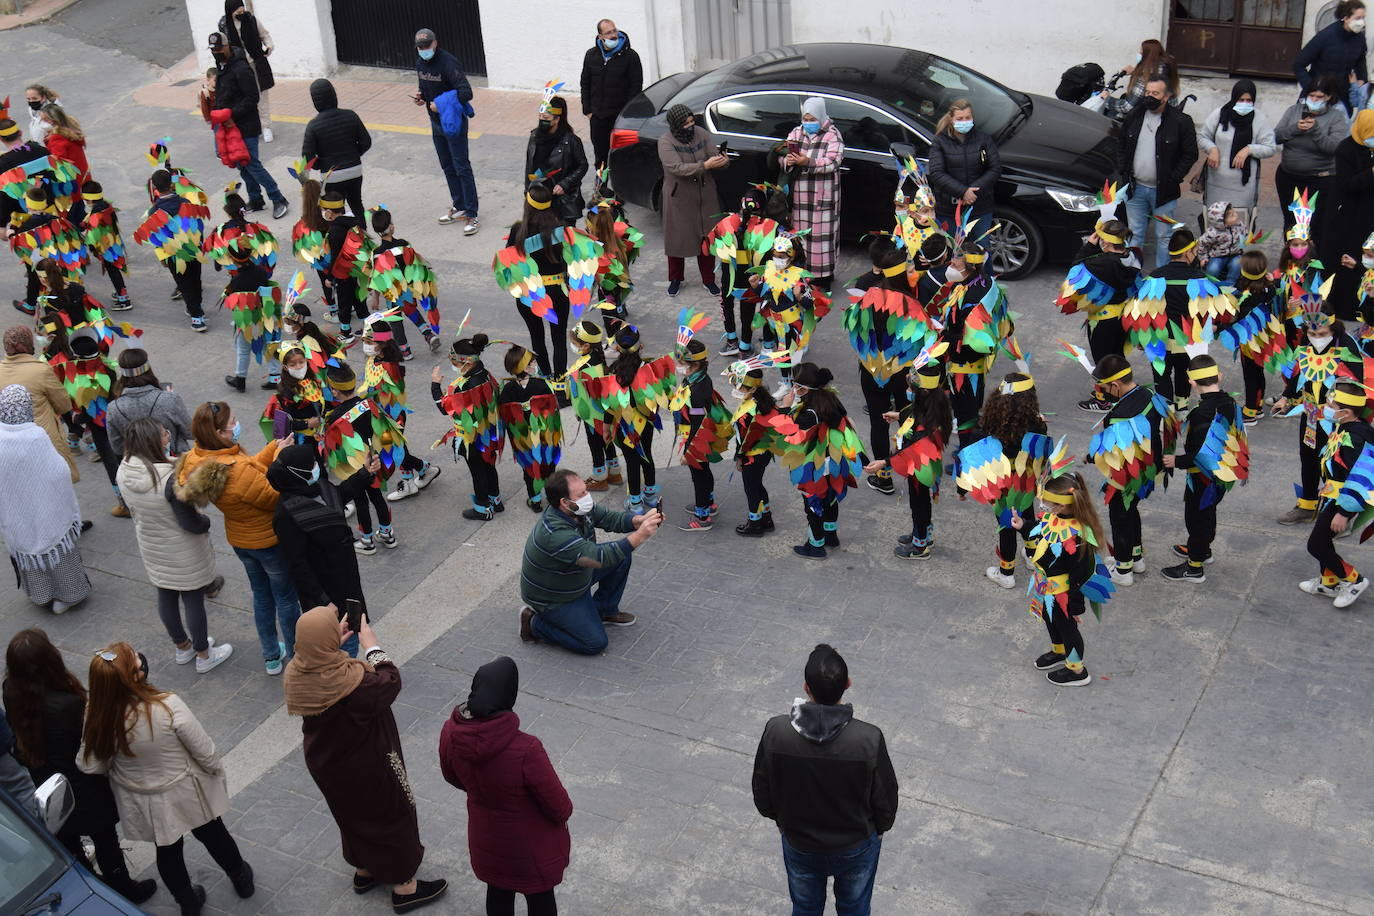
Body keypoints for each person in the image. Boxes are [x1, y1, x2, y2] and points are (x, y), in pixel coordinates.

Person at [285, 607, 448, 912]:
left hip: (327, 766)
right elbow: (390, 680)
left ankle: (365, 870)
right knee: (392, 815)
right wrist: (373, 646)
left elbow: (316, 657)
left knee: (351, 816)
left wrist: (330, 643)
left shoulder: (296, 672)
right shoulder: (354, 685)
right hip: (369, 764)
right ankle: (405, 887)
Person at [78, 643, 254, 914]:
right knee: (213, 833)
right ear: (133, 675)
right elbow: (204, 751)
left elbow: (91, 765)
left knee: (168, 851)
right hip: (185, 789)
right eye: (135, 659)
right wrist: (215, 773)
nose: (140, 659)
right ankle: (241, 878)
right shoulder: (166, 706)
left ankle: (188, 902)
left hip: (144, 800)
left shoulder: (96, 715)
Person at [2, 630, 157, 904]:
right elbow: (91, 743)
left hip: (46, 782)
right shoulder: (67, 703)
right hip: (83, 786)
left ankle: (90, 886)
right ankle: (124, 889)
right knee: (106, 841)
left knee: (69, 844)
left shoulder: (10, 691)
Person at [752, 644, 898, 916]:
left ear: (806, 688)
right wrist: (878, 831)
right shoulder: (868, 739)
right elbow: (886, 799)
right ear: (848, 684)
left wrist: (781, 822)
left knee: (805, 908)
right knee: (854, 909)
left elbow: (762, 789)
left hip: (800, 842)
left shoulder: (776, 731)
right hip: (855, 844)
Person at [439, 657, 572, 916]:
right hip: (530, 847)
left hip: (485, 838)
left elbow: (451, 776)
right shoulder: (526, 748)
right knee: (540, 898)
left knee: (498, 892)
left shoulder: (450, 733)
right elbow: (560, 807)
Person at [177, 401, 299, 674]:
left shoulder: (203, 459)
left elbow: (249, 466)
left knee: (261, 596)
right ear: (220, 432)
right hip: (268, 540)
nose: (237, 423)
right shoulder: (236, 470)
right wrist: (281, 461)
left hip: (241, 540)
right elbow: (270, 496)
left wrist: (273, 448)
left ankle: (271, 655)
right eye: (233, 421)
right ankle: (295, 652)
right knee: (286, 598)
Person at [119, 417, 233, 672]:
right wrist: (205, 522)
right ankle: (204, 654)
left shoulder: (124, 469)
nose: (167, 436)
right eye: (162, 434)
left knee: (166, 595)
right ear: (151, 442)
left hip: (151, 545)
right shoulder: (169, 480)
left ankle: (183, 647)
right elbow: (190, 523)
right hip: (182, 550)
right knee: (193, 599)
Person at [518, 468, 662, 653]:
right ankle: (533, 623)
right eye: (582, 493)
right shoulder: (555, 534)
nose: (588, 496)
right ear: (564, 502)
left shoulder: (576, 509)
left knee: (621, 555)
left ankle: (604, 610)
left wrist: (639, 520)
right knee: (595, 643)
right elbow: (598, 558)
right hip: (555, 597)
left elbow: (608, 518)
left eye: (586, 490)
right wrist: (641, 535)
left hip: (575, 575)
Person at [1009, 472, 1114, 686]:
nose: (1042, 505)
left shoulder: (1077, 537)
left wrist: (1076, 608)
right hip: (1044, 584)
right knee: (1049, 619)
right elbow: (1043, 532)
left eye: (1047, 501)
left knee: (1067, 628)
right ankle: (1059, 651)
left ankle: (1077, 671)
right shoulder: (1054, 517)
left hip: (1062, 592)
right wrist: (1023, 526)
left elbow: (1079, 575)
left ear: (1063, 505)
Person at [1272, 299, 1364, 525]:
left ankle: (1339, 513)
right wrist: (1286, 397)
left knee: (1334, 464)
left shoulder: (1347, 347)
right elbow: (1299, 371)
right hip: (1311, 415)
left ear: (1332, 327)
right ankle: (1307, 504)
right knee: (1309, 459)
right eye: (1312, 332)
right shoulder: (1308, 340)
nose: (1316, 337)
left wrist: (1338, 409)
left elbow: (1356, 385)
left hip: (1336, 418)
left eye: (1322, 333)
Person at [957, 373, 1051, 590]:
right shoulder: (1036, 424)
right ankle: (1032, 554)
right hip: (1026, 481)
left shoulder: (988, 426)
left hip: (1000, 483)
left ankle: (1006, 572)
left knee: (1006, 525)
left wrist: (962, 487)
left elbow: (970, 458)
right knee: (1026, 512)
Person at [0, 385, 89, 612]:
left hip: (16, 510)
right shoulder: (35, 435)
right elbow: (58, 470)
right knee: (56, 548)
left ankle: (42, 596)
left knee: (29, 548)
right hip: (46, 506)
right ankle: (69, 595)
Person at [1160, 355, 1249, 582]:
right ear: (1220, 376)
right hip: (1223, 473)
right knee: (1208, 512)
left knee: (1197, 517)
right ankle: (1203, 550)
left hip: (1203, 476)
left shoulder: (1202, 414)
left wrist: (1176, 461)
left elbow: (1200, 455)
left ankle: (1194, 566)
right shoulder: (1230, 403)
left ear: (1191, 382)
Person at [1088, 355, 1170, 586]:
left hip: (1127, 473)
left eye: (1103, 387)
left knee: (1119, 513)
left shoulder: (1119, 414)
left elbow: (1112, 450)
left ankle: (1123, 570)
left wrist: (1091, 457)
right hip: (1149, 467)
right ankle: (1136, 557)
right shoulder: (1148, 395)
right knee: (1131, 509)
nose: (1101, 392)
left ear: (1115, 385)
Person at [1300, 379, 1374, 607]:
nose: (1327, 405)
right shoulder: (1346, 426)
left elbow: (1361, 478)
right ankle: (1328, 582)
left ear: (1346, 412)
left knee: (1316, 544)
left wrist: (1343, 512)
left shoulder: (1356, 438)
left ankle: (1354, 580)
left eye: (1332, 403)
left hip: (1344, 499)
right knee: (1323, 537)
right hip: (1332, 493)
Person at [1056, 217, 1140, 412]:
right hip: (1123, 314)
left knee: (1103, 360)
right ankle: (1124, 391)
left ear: (1107, 241)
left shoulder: (1102, 263)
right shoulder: (1132, 257)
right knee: (1118, 355)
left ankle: (1104, 399)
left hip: (1103, 319)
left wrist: (1088, 248)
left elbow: (1075, 274)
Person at [784, 363, 866, 560]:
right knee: (829, 497)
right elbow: (846, 424)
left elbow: (789, 432)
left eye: (794, 385)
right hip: (834, 461)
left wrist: (785, 407)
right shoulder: (829, 398)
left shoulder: (809, 412)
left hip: (814, 465)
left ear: (801, 388)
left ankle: (816, 546)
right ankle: (831, 536)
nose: (792, 388)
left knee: (812, 501)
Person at [1116, 78, 1199, 268]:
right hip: (1135, 188)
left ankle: (1160, 278)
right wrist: (1123, 170)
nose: (1150, 97)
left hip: (1164, 192)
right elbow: (1121, 145)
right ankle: (1133, 275)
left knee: (1164, 235)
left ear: (1167, 96)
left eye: (1155, 93)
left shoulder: (1181, 122)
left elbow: (1190, 154)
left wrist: (1174, 178)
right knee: (1135, 233)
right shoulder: (1134, 116)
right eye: (1147, 92)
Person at [208, 31, 288, 220]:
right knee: (242, 166)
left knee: (251, 163)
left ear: (227, 47)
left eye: (219, 48)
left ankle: (278, 199)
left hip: (245, 126)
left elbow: (253, 98)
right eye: (213, 49)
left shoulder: (241, 69)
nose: (216, 52)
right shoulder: (222, 67)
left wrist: (231, 114)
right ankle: (256, 199)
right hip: (230, 127)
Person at [414, 27, 479, 235]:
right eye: (420, 47)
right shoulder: (419, 63)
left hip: (454, 123)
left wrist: (441, 104)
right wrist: (421, 97)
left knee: (461, 166)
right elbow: (425, 89)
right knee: (447, 166)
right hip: (436, 123)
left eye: (427, 46)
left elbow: (466, 92)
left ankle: (472, 213)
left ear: (435, 43)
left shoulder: (448, 62)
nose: (424, 50)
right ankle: (459, 205)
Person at [433, 333, 505, 520]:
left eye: (455, 363)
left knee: (477, 471)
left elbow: (444, 408)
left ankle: (483, 508)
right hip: (488, 431)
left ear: (467, 362)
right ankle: (495, 500)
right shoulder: (486, 374)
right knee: (489, 465)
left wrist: (435, 386)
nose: (454, 367)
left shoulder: (464, 386)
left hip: (471, 436)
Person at [659, 104, 726, 297]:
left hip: (705, 195)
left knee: (707, 238)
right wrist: (705, 165)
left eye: (691, 121)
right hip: (680, 198)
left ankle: (709, 279)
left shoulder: (701, 133)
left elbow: (713, 154)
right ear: (676, 124)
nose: (690, 125)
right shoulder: (665, 142)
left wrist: (722, 160)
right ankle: (675, 278)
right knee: (677, 239)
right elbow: (677, 168)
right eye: (686, 123)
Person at [780, 97, 845, 289]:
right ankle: (804, 273)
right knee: (800, 236)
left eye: (812, 119)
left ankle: (824, 278)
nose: (808, 123)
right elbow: (783, 155)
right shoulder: (796, 132)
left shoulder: (832, 135)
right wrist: (788, 161)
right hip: (800, 195)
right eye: (806, 119)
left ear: (821, 116)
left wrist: (807, 162)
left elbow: (834, 162)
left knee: (822, 239)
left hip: (823, 195)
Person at [1273, 75, 1346, 247]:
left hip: (1319, 180)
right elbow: (1275, 136)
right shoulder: (1294, 111)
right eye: (1311, 96)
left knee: (1315, 223)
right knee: (1291, 221)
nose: (1314, 100)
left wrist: (1316, 131)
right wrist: (1294, 129)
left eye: (1319, 97)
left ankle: (1312, 261)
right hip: (1289, 177)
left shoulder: (1336, 118)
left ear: (1328, 97)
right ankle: (1291, 260)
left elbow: (1335, 148)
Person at [0, 325, 77, 481]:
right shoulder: (41, 371)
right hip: (44, 442)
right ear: (28, 344)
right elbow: (64, 405)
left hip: (8, 447)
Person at [1218, 249, 1282, 426]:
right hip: (1266, 337)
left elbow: (1235, 318)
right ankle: (1258, 406)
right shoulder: (1269, 289)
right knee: (1258, 372)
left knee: (1250, 375)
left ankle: (1250, 412)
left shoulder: (1244, 295)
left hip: (1249, 341)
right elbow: (1274, 290)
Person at [140, 168, 209, 332]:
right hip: (193, 249)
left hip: (173, 255)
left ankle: (197, 316)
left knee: (184, 284)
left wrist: (162, 256)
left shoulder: (154, 211)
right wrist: (199, 245)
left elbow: (157, 238)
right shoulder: (186, 204)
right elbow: (198, 226)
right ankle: (195, 307)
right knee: (195, 279)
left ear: (155, 189)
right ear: (172, 185)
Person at [1198, 80, 1277, 218]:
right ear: (1234, 98)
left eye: (1249, 100)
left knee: (1239, 224)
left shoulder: (1259, 119)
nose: (1245, 104)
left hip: (1242, 186)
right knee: (1214, 222)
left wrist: (1249, 149)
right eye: (1241, 100)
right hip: (1217, 182)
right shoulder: (1219, 114)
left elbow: (1270, 148)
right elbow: (1203, 137)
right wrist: (1212, 149)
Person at [497, 344, 562, 511]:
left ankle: (535, 500)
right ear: (525, 366)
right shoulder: (542, 385)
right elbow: (553, 411)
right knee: (548, 465)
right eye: (533, 362)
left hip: (522, 440)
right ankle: (552, 497)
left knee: (529, 469)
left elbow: (506, 417)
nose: (535, 364)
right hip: (545, 437)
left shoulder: (507, 389)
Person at [928, 98, 1000, 243]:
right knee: (951, 252)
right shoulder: (940, 142)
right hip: (949, 209)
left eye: (968, 117)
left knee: (981, 251)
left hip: (980, 207)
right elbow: (936, 173)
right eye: (960, 118)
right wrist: (963, 192)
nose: (964, 121)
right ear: (951, 119)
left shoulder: (983, 139)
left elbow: (995, 168)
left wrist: (972, 193)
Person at [727, 364, 786, 536]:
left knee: (751, 489)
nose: (736, 388)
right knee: (758, 485)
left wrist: (740, 458)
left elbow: (745, 439)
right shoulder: (763, 403)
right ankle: (766, 518)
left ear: (752, 388)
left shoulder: (750, 411)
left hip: (751, 455)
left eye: (740, 386)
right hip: (764, 453)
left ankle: (755, 524)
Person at [1327, 110, 1374, 321]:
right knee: (1350, 259)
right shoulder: (1346, 149)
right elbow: (1347, 184)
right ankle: (1346, 307)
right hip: (1351, 214)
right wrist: (1370, 173)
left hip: (1371, 212)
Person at [302, 78, 371, 217]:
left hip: (330, 176)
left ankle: (343, 236)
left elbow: (307, 158)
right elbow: (366, 141)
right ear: (334, 96)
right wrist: (353, 155)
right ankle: (362, 234)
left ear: (315, 102)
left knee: (335, 211)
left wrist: (322, 164)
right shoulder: (350, 116)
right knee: (357, 203)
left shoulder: (313, 126)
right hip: (354, 170)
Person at [580, 19, 643, 167]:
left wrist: (626, 114)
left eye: (614, 30)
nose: (613, 35)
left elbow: (635, 88)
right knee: (600, 157)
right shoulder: (591, 55)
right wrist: (588, 110)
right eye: (608, 33)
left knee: (622, 156)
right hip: (598, 118)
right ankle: (602, 188)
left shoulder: (630, 57)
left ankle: (622, 189)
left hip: (619, 118)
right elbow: (585, 84)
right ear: (600, 36)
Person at [107, 349, 191, 457]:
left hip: (141, 468)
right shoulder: (169, 399)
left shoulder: (113, 408)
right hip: (176, 462)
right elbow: (190, 432)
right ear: (148, 369)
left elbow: (117, 447)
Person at [1293, 0, 1368, 112]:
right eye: (1357, 18)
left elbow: (1361, 60)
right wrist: (1312, 88)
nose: (1361, 22)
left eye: (1363, 18)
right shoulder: (1325, 36)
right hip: (1317, 98)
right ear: (1346, 18)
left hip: (1343, 99)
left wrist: (1362, 80)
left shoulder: (1360, 38)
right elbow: (1298, 64)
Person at [526, 92, 588, 225]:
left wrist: (564, 184)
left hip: (562, 199)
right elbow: (529, 166)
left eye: (546, 117)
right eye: (540, 116)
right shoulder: (534, 137)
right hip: (541, 195)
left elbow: (582, 165)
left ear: (557, 119)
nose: (542, 120)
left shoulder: (571, 141)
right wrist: (528, 192)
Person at [219, 0, 276, 141]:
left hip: (256, 63)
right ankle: (250, 127)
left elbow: (265, 35)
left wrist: (269, 46)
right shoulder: (224, 25)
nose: (241, 12)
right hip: (238, 67)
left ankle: (266, 126)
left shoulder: (251, 20)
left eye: (242, 9)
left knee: (262, 94)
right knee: (245, 97)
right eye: (237, 10)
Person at [80, 180, 132, 311]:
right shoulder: (106, 205)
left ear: (89, 199)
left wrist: (91, 246)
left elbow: (94, 233)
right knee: (115, 270)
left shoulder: (97, 212)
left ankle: (123, 299)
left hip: (106, 248)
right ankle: (121, 292)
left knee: (113, 271)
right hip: (114, 243)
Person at [1103, 39, 1180, 121]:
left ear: (1146, 56)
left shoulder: (1144, 78)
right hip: (1168, 117)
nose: (1139, 55)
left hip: (1147, 119)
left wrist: (1107, 99)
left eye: (1141, 53)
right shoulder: (1169, 70)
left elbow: (1127, 107)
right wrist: (1135, 72)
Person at [39, 104, 90, 223]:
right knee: (79, 210)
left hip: (69, 183)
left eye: (44, 120)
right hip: (80, 175)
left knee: (70, 218)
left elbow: (58, 161)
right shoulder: (70, 128)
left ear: (52, 120)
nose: (43, 123)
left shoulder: (57, 137)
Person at [1196, 201, 1245, 284]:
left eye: (1234, 212)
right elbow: (1202, 244)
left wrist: (1242, 247)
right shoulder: (1212, 233)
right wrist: (1203, 258)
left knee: (1237, 265)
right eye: (1232, 216)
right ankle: (1210, 284)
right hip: (1217, 256)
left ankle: (1231, 284)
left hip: (1234, 254)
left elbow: (1243, 235)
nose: (1236, 215)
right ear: (1222, 222)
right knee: (1213, 269)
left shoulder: (1239, 225)